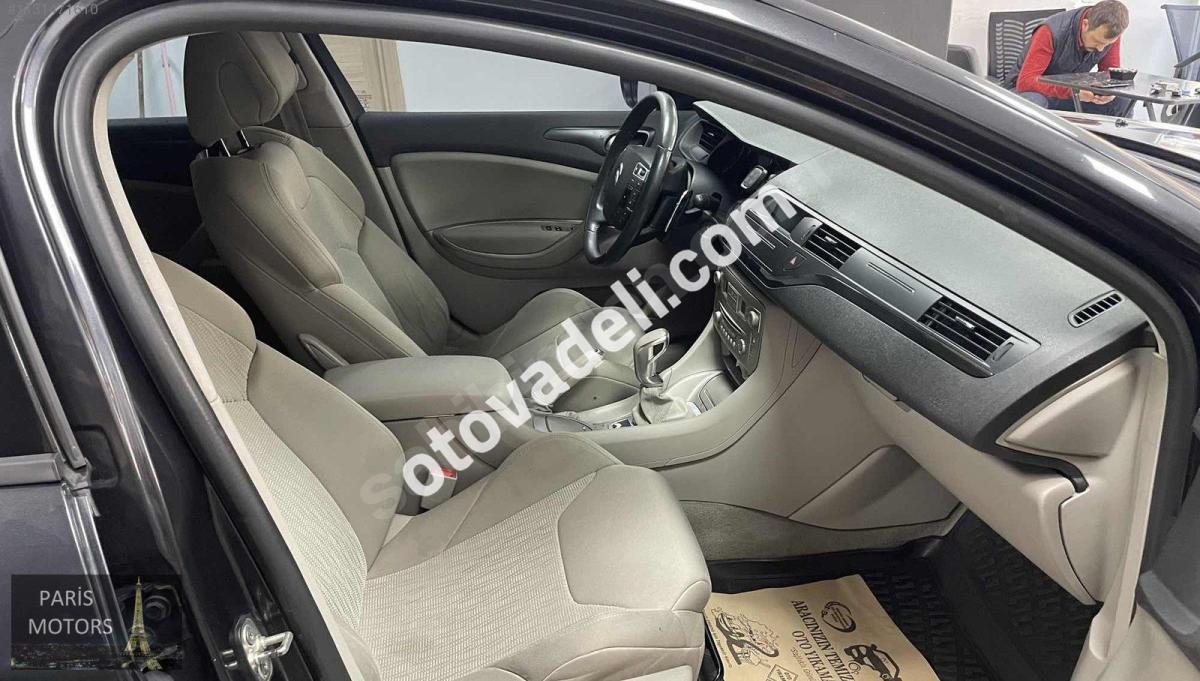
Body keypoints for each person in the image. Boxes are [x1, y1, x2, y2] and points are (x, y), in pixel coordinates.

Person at [1007, 0, 1133, 117]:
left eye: (1107, 44)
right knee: (1034, 102)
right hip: (1029, 91)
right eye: (1097, 41)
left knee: (1123, 101)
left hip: (1070, 92)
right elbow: (1026, 82)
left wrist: (1109, 92)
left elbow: (1108, 75)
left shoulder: (1108, 34)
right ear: (1085, 24)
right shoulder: (1049, 32)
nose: (1101, 49)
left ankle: (1102, 136)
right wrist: (1073, 92)